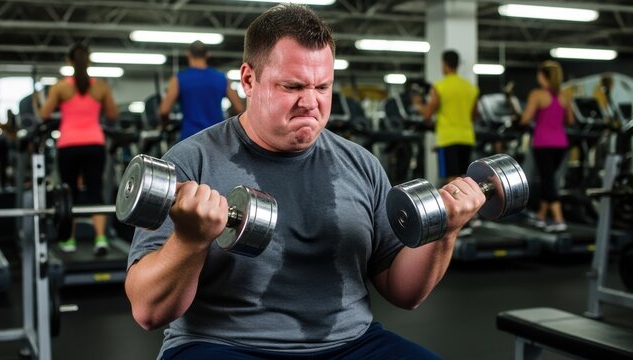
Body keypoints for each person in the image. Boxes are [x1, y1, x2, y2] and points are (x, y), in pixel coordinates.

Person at [125, 4, 484, 360]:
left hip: (351, 344)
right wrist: (190, 240)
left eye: (323, 86)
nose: (311, 102)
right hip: (224, 344)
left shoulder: (361, 164)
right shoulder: (190, 161)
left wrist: (444, 230)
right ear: (249, 80)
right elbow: (148, 311)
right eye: (292, 86)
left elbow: (404, 293)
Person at [38, 43, 119, 254]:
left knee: (69, 192)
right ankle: (100, 238)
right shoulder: (100, 87)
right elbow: (113, 115)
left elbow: (44, 115)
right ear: (88, 60)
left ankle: (69, 240)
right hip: (94, 144)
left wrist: (40, 104)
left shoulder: (60, 87)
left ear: (69, 61)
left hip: (69, 145)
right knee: (95, 191)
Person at [519, 60, 575, 232]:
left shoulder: (537, 95)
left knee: (548, 180)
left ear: (543, 75)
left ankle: (559, 219)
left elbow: (525, 119)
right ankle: (541, 217)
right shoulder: (564, 97)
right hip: (561, 144)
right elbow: (570, 121)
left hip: (543, 143)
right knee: (548, 179)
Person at [413, 50, 480, 184]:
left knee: (451, 180)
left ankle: (452, 206)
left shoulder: (439, 87)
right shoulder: (471, 88)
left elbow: (427, 113)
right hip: (467, 138)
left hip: (448, 138)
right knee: (463, 179)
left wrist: (418, 105)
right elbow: (474, 116)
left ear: (444, 64)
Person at [159, 40, 245, 141]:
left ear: (188, 54)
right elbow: (239, 108)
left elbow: (164, 110)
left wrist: (164, 126)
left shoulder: (178, 79)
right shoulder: (221, 78)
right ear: (207, 55)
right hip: (217, 138)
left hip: (189, 139)